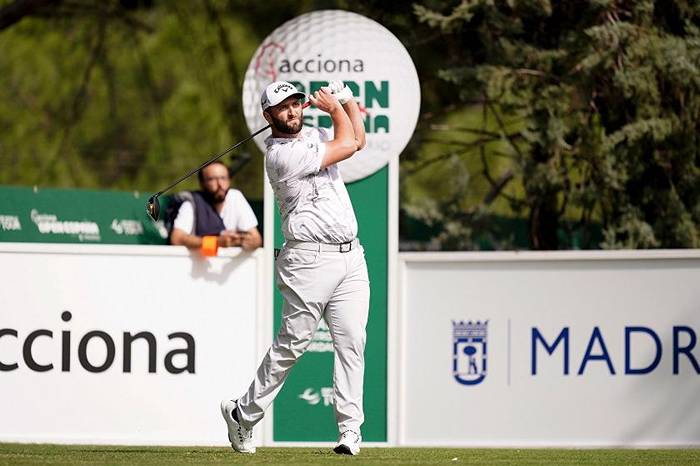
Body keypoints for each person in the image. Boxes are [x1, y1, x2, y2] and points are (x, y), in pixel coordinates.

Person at [220, 80, 369, 455]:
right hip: (308, 259)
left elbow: (359, 142)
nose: (293, 111)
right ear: (268, 116)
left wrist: (348, 102)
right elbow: (347, 143)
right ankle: (243, 412)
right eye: (283, 107)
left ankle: (350, 431)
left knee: (352, 342)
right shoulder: (279, 157)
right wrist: (336, 107)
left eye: (297, 103)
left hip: (350, 257)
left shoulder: (315, 134)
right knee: (293, 345)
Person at [169, 161, 262, 253]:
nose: (220, 184)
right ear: (202, 184)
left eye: (223, 178)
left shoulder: (235, 197)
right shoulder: (191, 203)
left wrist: (240, 240)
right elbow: (177, 238)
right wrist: (216, 242)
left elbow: (256, 239)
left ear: (229, 180)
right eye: (212, 179)